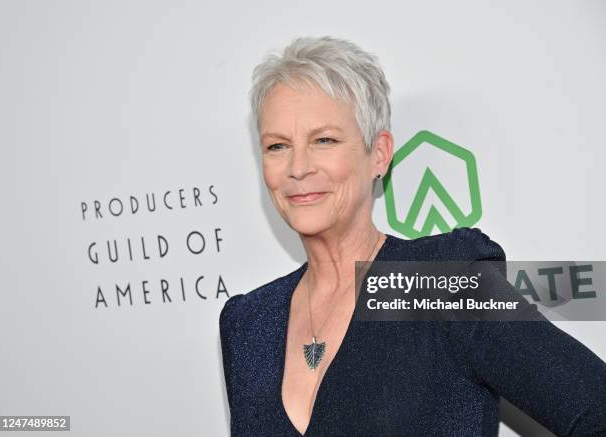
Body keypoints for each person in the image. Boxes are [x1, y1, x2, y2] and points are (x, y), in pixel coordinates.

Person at [219, 35, 606, 436]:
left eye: (324, 140)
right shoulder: (249, 322)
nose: (298, 167)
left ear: (380, 154)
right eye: (278, 145)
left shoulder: (439, 285)